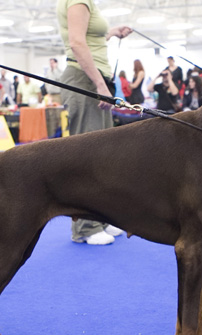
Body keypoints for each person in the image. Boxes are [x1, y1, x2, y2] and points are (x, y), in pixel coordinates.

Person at [57, 0, 132, 245]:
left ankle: (99, 218)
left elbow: (89, 39)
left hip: (94, 79)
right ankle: (85, 227)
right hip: (85, 80)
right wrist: (100, 85)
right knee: (86, 161)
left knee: (103, 158)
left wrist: (111, 33)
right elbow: (77, 43)